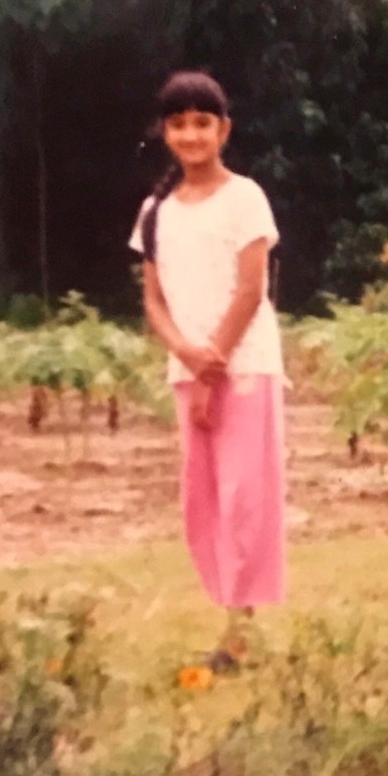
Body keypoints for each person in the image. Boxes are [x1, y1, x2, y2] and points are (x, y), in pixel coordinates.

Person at [130, 71, 287, 670]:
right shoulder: (155, 211)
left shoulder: (245, 197)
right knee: (204, 501)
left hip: (244, 366)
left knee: (244, 497)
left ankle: (240, 637)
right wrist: (188, 359)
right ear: (165, 132)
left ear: (224, 129)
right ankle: (228, 620)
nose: (191, 135)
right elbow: (153, 301)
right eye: (178, 123)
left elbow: (251, 289)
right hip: (188, 370)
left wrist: (213, 364)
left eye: (203, 122)